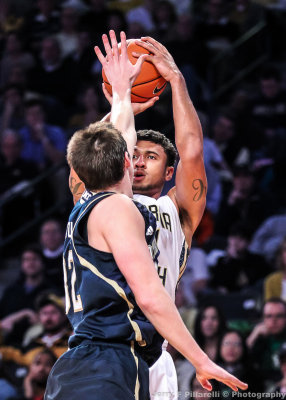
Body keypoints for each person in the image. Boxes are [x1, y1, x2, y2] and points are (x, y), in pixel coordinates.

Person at [49, 30, 247, 400]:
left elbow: (191, 151)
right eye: (134, 153)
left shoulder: (176, 211)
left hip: (154, 354)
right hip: (113, 348)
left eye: (151, 156)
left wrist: (175, 82)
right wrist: (120, 104)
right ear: (123, 160)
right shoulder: (101, 198)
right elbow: (85, 162)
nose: (138, 160)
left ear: (170, 173)